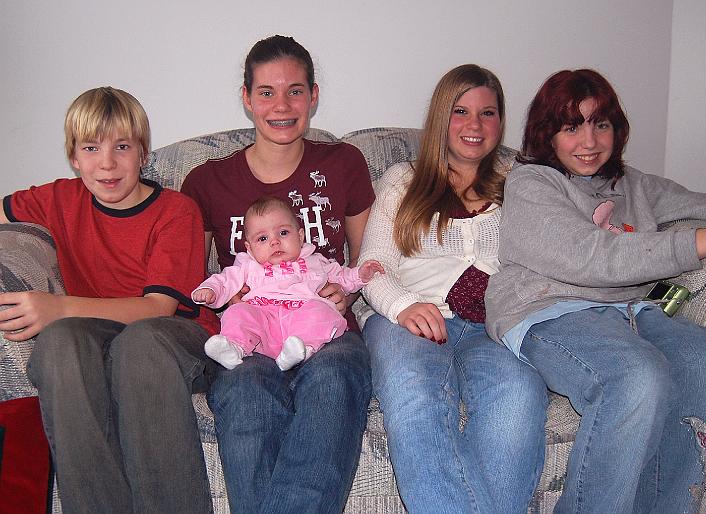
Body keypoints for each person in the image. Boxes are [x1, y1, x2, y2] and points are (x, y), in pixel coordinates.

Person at [485, 69, 706, 513]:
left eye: (601, 124)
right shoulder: (532, 182)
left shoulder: (632, 183)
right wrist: (704, 240)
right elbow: (592, 257)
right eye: (572, 127)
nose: (589, 141)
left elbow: (705, 204)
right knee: (635, 376)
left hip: (631, 309)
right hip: (548, 309)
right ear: (548, 134)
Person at [0, 87, 219, 513]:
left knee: (138, 344)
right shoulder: (61, 198)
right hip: (97, 335)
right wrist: (58, 318)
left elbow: (159, 308)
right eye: (91, 148)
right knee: (59, 343)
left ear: (143, 154)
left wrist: (57, 306)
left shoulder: (176, 211)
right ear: (74, 157)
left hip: (178, 341)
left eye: (122, 146)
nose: (107, 162)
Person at [180, 35, 375, 512]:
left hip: (324, 327)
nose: (281, 105)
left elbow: (368, 256)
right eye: (266, 91)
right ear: (246, 98)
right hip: (253, 328)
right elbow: (194, 279)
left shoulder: (344, 163)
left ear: (314, 95)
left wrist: (348, 294)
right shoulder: (208, 181)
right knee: (246, 390)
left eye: (295, 90)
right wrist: (222, 297)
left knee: (333, 379)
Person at [358, 64, 548, 514]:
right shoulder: (403, 180)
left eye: (488, 112)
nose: (475, 125)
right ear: (441, 117)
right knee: (416, 397)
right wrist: (402, 305)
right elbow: (370, 267)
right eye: (460, 111)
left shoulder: (521, 184)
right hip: (406, 319)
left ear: (501, 123)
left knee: (519, 395)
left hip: (493, 324)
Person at [193, 196, 384, 371]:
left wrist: (361, 274)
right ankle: (234, 347)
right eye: (263, 238)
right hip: (263, 320)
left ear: (300, 236)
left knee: (321, 311)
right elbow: (224, 280)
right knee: (237, 312)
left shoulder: (315, 260)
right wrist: (211, 290)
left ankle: (303, 349)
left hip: (302, 316)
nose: (275, 242)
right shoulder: (247, 265)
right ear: (249, 247)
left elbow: (343, 277)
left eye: (283, 233)